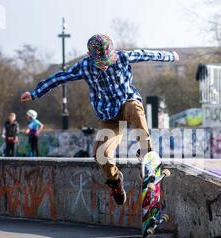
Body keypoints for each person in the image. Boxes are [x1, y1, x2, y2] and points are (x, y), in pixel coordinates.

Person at [21, 34, 179, 206]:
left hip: (126, 103)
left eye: (107, 61)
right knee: (100, 154)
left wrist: (171, 56)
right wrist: (35, 93)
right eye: (100, 63)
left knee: (135, 108)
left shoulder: (122, 57)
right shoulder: (84, 67)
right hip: (109, 117)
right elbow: (60, 77)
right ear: (90, 56)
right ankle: (115, 181)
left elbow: (147, 54)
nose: (104, 66)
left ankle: (146, 153)